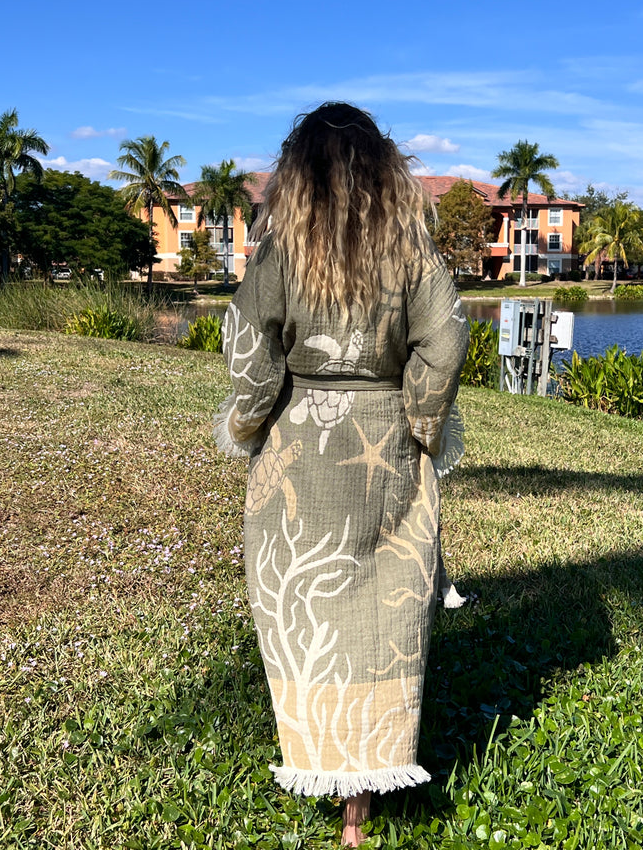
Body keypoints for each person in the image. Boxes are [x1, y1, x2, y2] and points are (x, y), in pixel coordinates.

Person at [214, 102, 469, 846]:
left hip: (301, 449)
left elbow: (249, 350)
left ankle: (325, 764)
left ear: (296, 176)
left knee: (302, 608)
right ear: (388, 174)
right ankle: (364, 798)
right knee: (387, 606)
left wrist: (249, 423)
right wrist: (422, 422)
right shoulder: (410, 250)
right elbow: (446, 339)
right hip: (385, 443)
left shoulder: (279, 255)